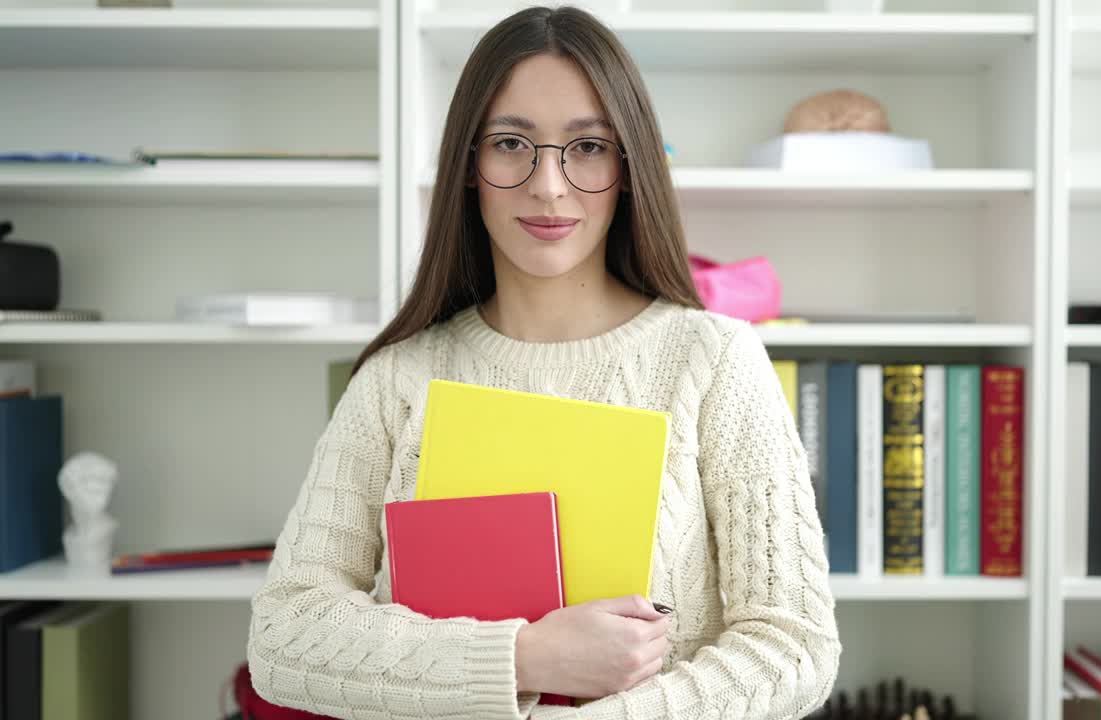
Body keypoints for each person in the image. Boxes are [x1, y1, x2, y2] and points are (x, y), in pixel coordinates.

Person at [245, 6, 841, 719]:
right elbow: (282, 639)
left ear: (628, 168)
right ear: (470, 165)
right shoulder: (397, 380)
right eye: (511, 144)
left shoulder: (714, 361)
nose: (549, 186)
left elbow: (794, 646)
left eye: (587, 147)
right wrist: (524, 657)